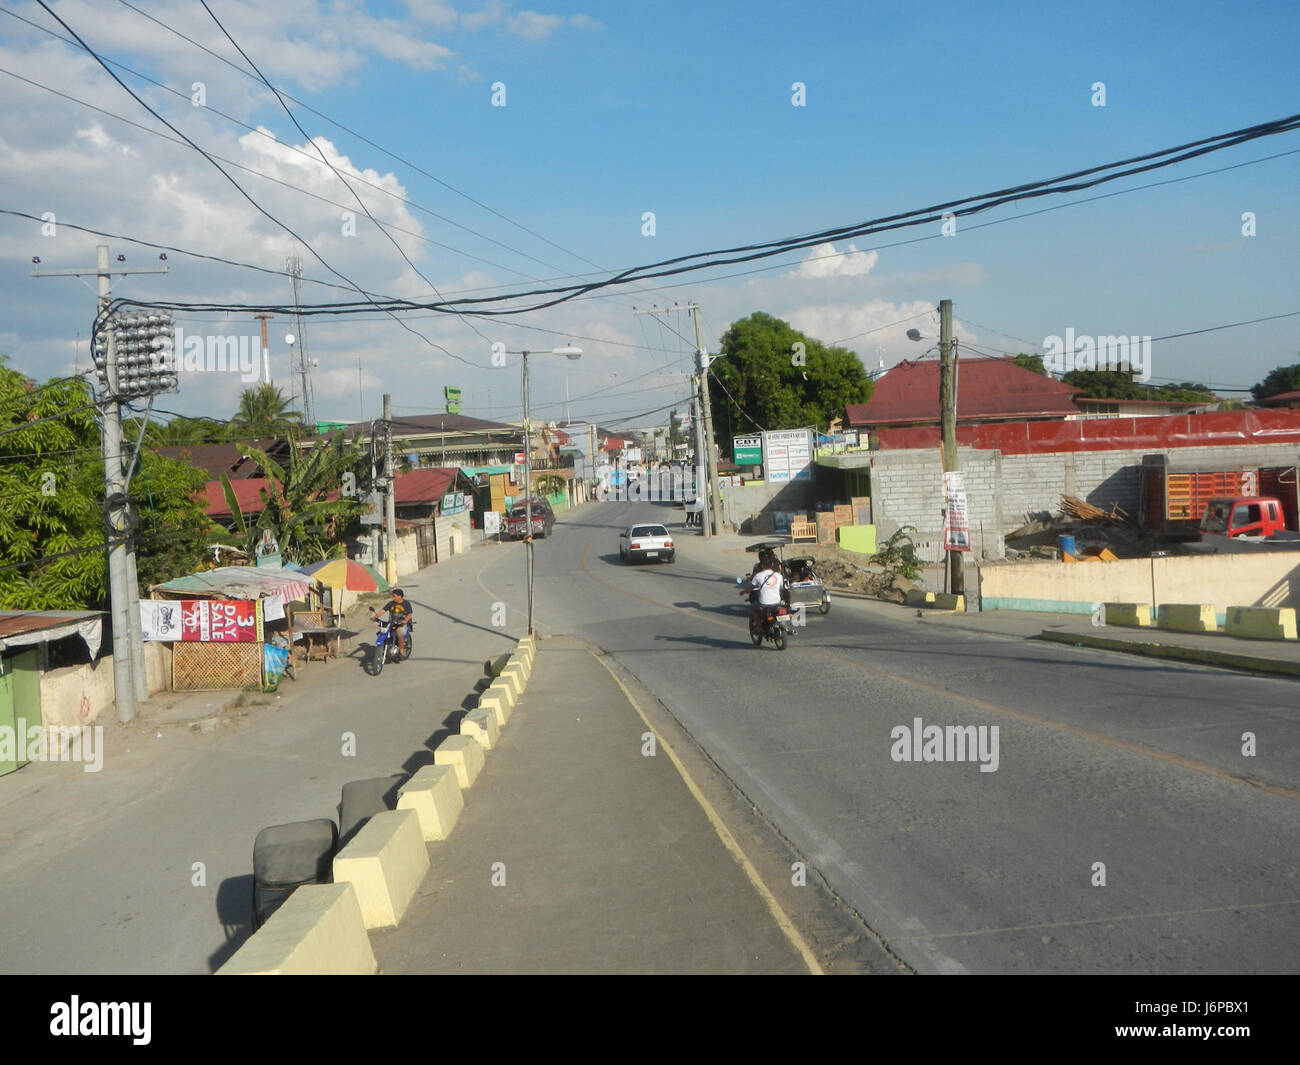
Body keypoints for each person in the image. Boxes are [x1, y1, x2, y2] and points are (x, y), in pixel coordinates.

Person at [371, 588, 413, 659]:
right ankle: (384, 647)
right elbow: (383, 610)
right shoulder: (391, 603)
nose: (393, 597)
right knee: (382, 632)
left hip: (401, 624)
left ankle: (401, 651)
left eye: (394, 596)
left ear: (400, 596)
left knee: (399, 634)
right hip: (391, 623)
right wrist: (375, 616)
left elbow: (410, 614)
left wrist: (405, 620)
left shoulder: (406, 603)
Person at [750, 555, 788, 621]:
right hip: (777, 602)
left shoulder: (758, 575)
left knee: (753, 609)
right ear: (772, 564)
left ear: (762, 566)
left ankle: (759, 627)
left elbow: (752, 586)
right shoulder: (779, 575)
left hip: (764, 604)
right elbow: (782, 587)